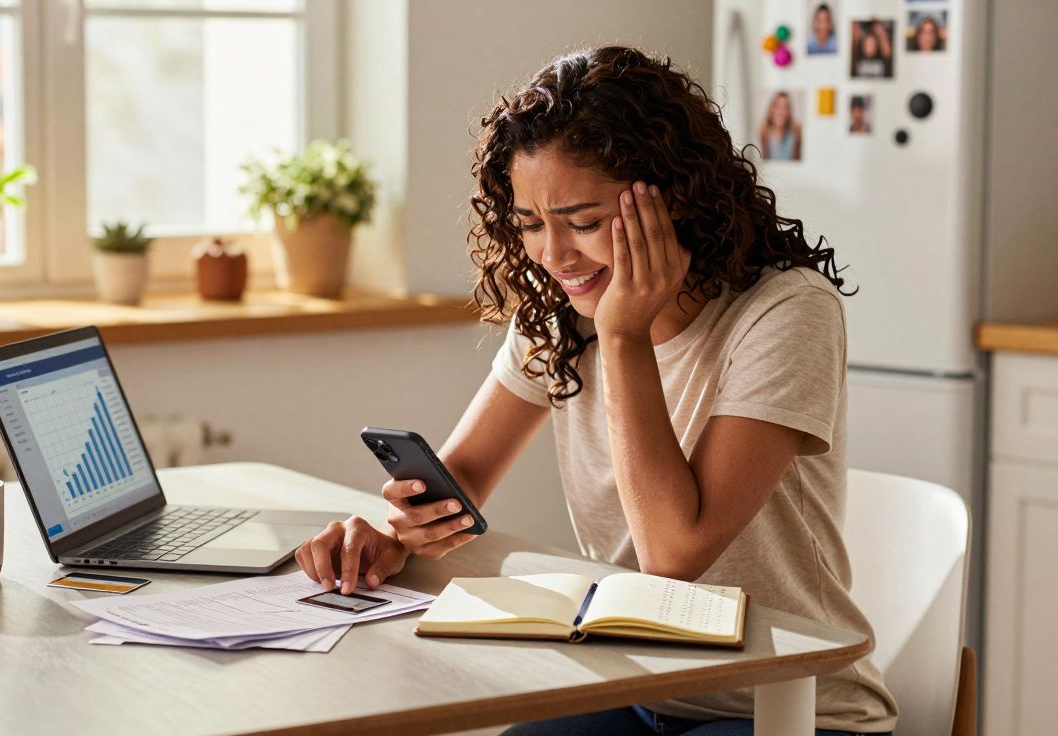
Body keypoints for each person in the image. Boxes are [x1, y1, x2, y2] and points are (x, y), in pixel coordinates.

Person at [295, 46, 897, 735]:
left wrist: (623, 337)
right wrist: (396, 535)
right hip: (640, 684)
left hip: (787, 703)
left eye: (582, 223)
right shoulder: (555, 315)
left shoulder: (785, 312)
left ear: (673, 199)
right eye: (529, 225)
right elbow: (463, 476)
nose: (553, 255)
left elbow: (675, 553)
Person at [758, 92, 802, 161]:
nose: (781, 112)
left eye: (785, 107)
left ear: (789, 111)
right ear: (772, 109)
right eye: (778, 106)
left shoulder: (795, 134)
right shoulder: (764, 133)